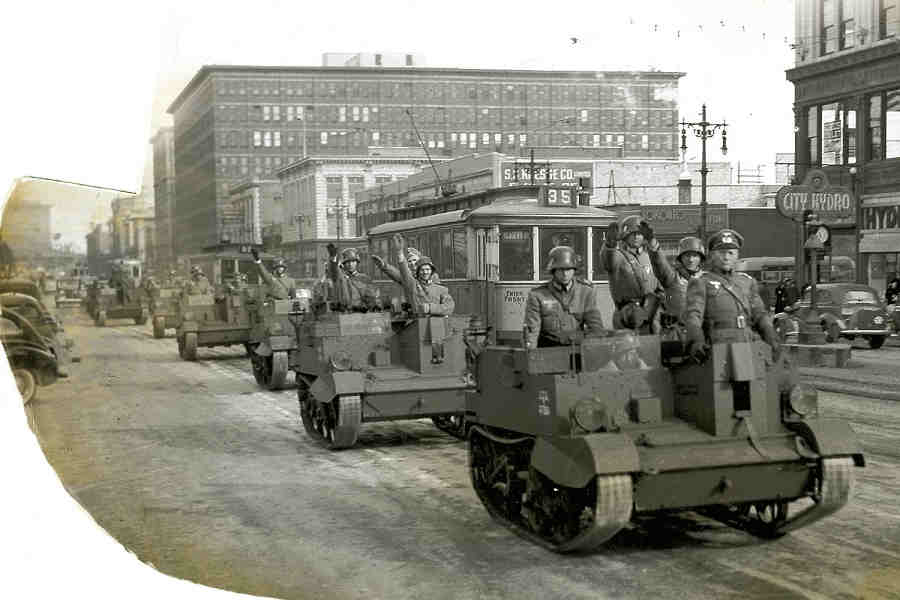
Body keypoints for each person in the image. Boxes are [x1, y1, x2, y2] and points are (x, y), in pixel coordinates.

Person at [684, 229, 781, 363]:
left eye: (731, 253)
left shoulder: (747, 281)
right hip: (718, 345)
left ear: (737, 255)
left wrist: (769, 333)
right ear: (712, 255)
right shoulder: (701, 281)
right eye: (721, 252)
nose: (726, 257)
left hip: (747, 342)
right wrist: (696, 338)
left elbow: (759, 313)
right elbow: (694, 314)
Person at [523, 245, 608, 349]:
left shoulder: (586, 292)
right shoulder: (538, 295)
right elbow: (532, 330)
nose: (565, 274)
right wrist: (532, 355)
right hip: (548, 351)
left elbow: (596, 327)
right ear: (553, 271)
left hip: (577, 351)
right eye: (560, 269)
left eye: (568, 269)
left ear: (574, 270)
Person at [599, 215, 667, 333]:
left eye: (639, 233)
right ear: (625, 235)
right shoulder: (618, 256)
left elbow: (661, 284)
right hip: (627, 315)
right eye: (632, 233)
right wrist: (610, 244)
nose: (636, 236)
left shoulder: (649, 257)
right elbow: (608, 259)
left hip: (650, 313)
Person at [648, 235, 705, 325]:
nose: (691, 260)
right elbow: (660, 263)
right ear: (680, 258)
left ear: (700, 258)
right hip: (675, 331)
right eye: (687, 255)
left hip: (701, 332)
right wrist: (654, 246)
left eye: (694, 256)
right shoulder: (672, 278)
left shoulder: (707, 280)